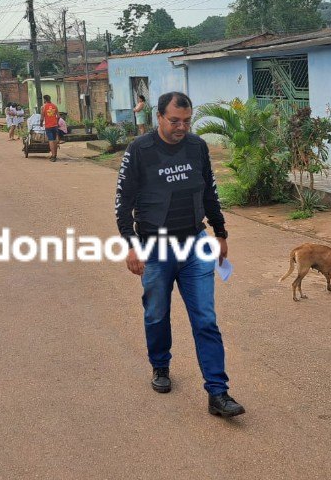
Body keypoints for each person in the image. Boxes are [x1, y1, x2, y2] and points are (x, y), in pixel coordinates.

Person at [114, 91, 245, 419]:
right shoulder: (139, 151)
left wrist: (221, 232)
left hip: (194, 244)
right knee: (156, 314)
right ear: (158, 117)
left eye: (186, 121)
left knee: (205, 319)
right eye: (174, 121)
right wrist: (131, 245)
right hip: (155, 248)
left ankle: (218, 392)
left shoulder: (197, 147)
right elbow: (123, 202)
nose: (181, 127)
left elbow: (210, 191)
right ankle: (160, 366)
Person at [41, 95, 61, 162]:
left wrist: (41, 124)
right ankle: (55, 155)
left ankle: (53, 156)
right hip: (55, 126)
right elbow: (58, 117)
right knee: (55, 140)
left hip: (48, 126)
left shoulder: (43, 107)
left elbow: (42, 118)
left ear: (45, 100)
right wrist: (57, 123)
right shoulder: (55, 106)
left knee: (51, 140)